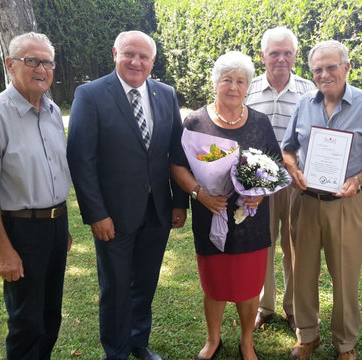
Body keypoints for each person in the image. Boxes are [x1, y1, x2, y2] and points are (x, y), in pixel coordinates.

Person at [66, 30, 187, 360]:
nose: (136, 61)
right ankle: (115, 352)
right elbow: (81, 159)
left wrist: (178, 202)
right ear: (115, 54)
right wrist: (96, 214)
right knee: (116, 287)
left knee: (145, 284)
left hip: (157, 211)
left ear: (152, 62)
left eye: (143, 56)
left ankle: (138, 342)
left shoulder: (165, 94)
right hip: (113, 215)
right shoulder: (90, 95)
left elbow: (176, 153)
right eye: (129, 54)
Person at [282, 40, 362, 360]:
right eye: (318, 69)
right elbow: (288, 148)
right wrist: (291, 167)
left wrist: (358, 179)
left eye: (331, 67)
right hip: (304, 201)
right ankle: (307, 336)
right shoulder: (304, 104)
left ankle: (345, 343)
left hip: (347, 204)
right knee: (302, 271)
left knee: (345, 276)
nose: (324, 74)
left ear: (347, 67)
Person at [170, 51, 281, 360]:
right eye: (227, 80)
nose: (233, 86)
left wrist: (260, 192)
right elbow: (178, 165)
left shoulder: (259, 122)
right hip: (211, 213)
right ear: (215, 83)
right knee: (214, 284)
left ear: (248, 86)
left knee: (248, 286)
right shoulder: (196, 120)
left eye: (241, 81)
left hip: (251, 220)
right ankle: (213, 340)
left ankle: (247, 341)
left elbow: (275, 163)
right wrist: (199, 194)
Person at [0, 32, 71, 359]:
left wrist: (60, 226)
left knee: (49, 316)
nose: (42, 68)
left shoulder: (53, 112)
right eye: (32, 61)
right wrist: (2, 249)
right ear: (10, 64)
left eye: (48, 62)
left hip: (55, 226)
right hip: (19, 231)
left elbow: (52, 173)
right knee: (27, 322)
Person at [245, 26, 316, 333]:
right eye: (274, 53)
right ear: (263, 56)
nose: (281, 59)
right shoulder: (246, 87)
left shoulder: (309, 90)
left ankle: (292, 307)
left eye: (288, 53)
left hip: (293, 183)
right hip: (256, 182)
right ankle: (265, 305)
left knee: (293, 246)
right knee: (262, 245)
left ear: (295, 56)